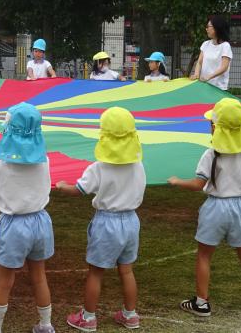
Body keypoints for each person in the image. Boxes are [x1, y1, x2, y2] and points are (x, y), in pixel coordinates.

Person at [168, 98, 241, 316]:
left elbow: (198, 184)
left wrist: (177, 182)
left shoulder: (211, 154)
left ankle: (202, 302)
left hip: (216, 207)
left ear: (215, 127)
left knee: (204, 254)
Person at [0, 103, 55, 333]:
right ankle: (46, 325)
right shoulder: (45, 162)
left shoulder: (1, 167)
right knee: (39, 276)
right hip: (40, 222)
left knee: (5, 280)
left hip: (14, 226)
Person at [57, 107, 145, 331]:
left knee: (96, 271)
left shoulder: (99, 168)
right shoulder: (138, 165)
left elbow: (79, 189)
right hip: (131, 221)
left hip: (107, 222)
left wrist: (62, 187)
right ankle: (130, 314)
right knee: (126, 269)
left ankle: (88, 318)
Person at [190, 16, 233, 90]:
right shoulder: (205, 44)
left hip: (219, 88)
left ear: (217, 28)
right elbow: (199, 62)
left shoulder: (225, 46)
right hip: (205, 85)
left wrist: (208, 77)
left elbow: (224, 67)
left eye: (208, 26)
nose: (206, 29)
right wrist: (196, 74)